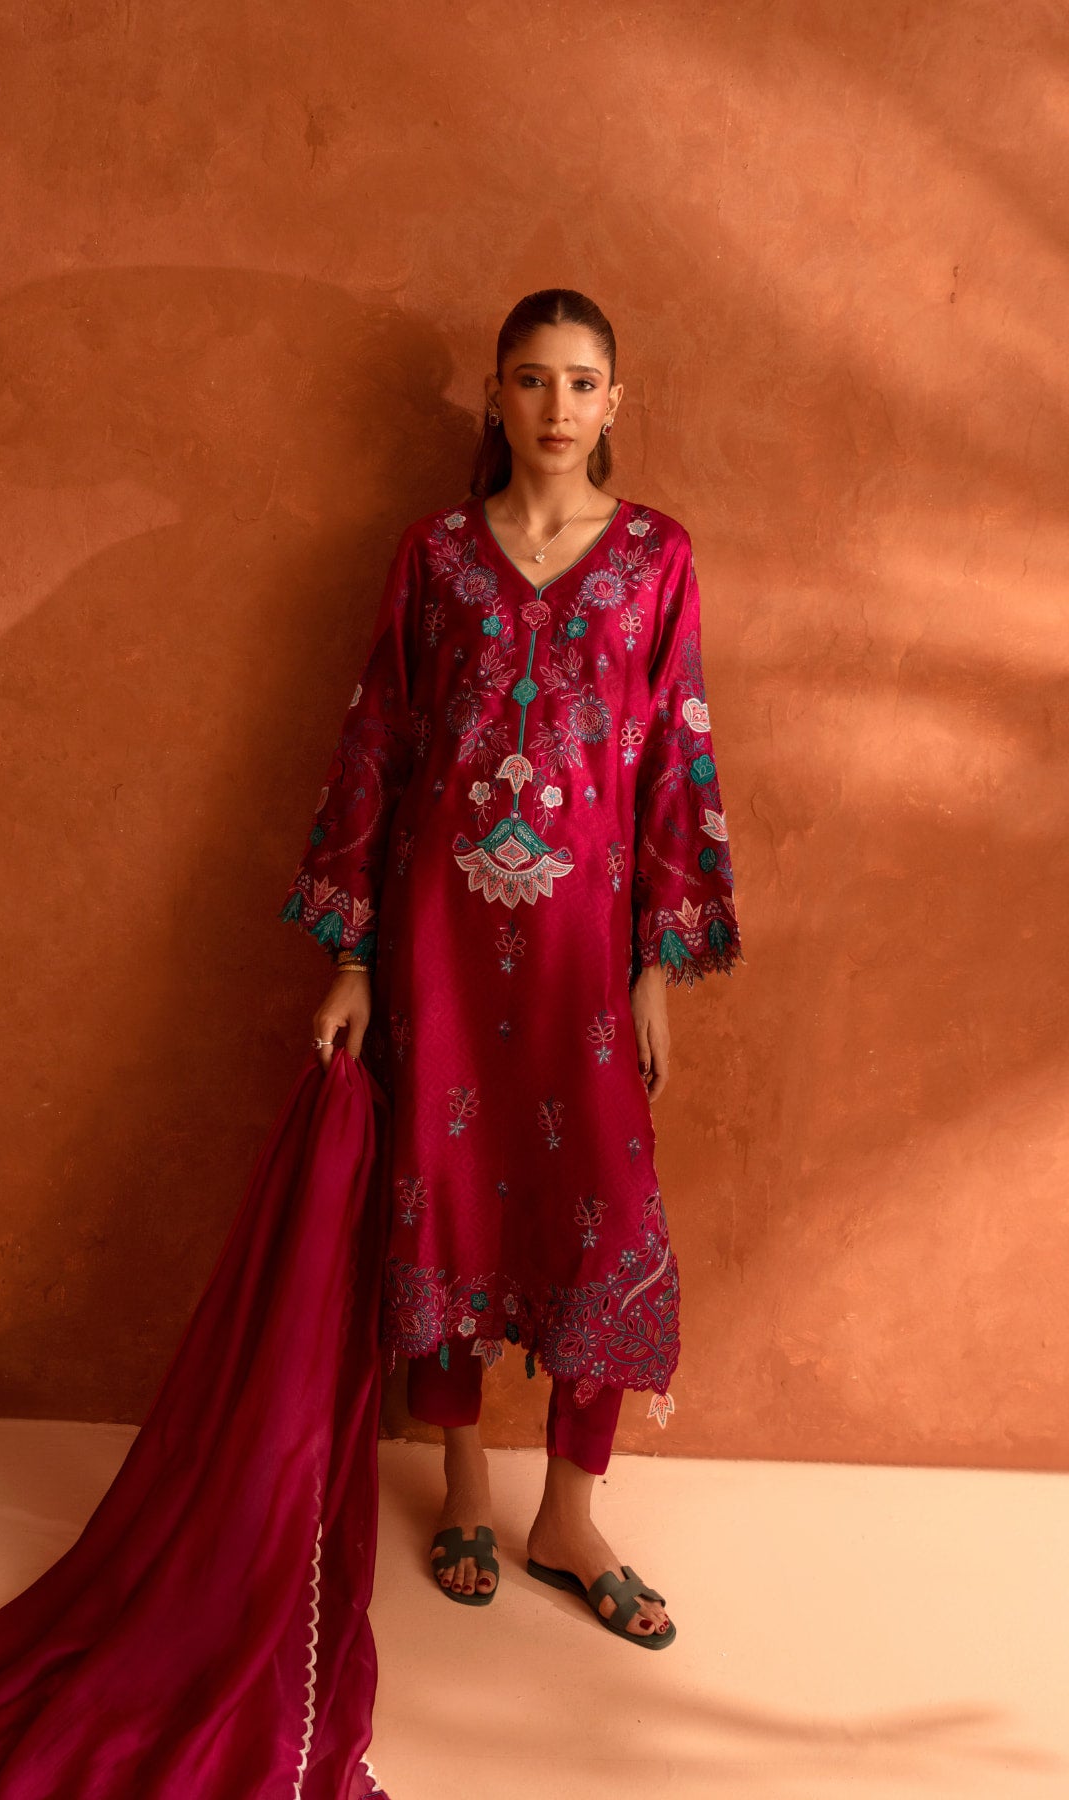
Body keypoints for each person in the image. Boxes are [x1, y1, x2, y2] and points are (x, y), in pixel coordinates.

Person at [279, 287, 744, 1646]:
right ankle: (468, 1487)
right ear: (495, 397)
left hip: (584, 954)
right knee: (444, 1192)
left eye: (581, 383)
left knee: (598, 1202)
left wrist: (657, 963)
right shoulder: (432, 555)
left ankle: (570, 1512)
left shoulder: (658, 559)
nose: (555, 408)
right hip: (435, 935)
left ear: (617, 400)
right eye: (530, 381)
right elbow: (377, 742)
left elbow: (674, 763)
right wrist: (355, 956)